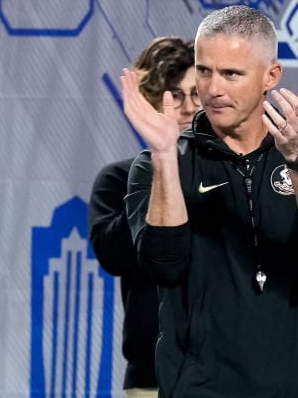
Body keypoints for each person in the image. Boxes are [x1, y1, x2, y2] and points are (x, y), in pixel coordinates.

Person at [121, 5, 298, 397]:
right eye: (204, 70)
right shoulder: (158, 164)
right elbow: (164, 266)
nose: (212, 89)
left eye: (231, 73)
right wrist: (165, 155)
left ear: (271, 75)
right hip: (201, 389)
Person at [88, 36, 197, 398]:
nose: (184, 108)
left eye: (195, 94)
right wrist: (163, 163)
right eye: (172, 95)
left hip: (230, 373)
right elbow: (113, 256)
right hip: (152, 375)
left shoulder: (235, 178)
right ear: (149, 101)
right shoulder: (118, 179)